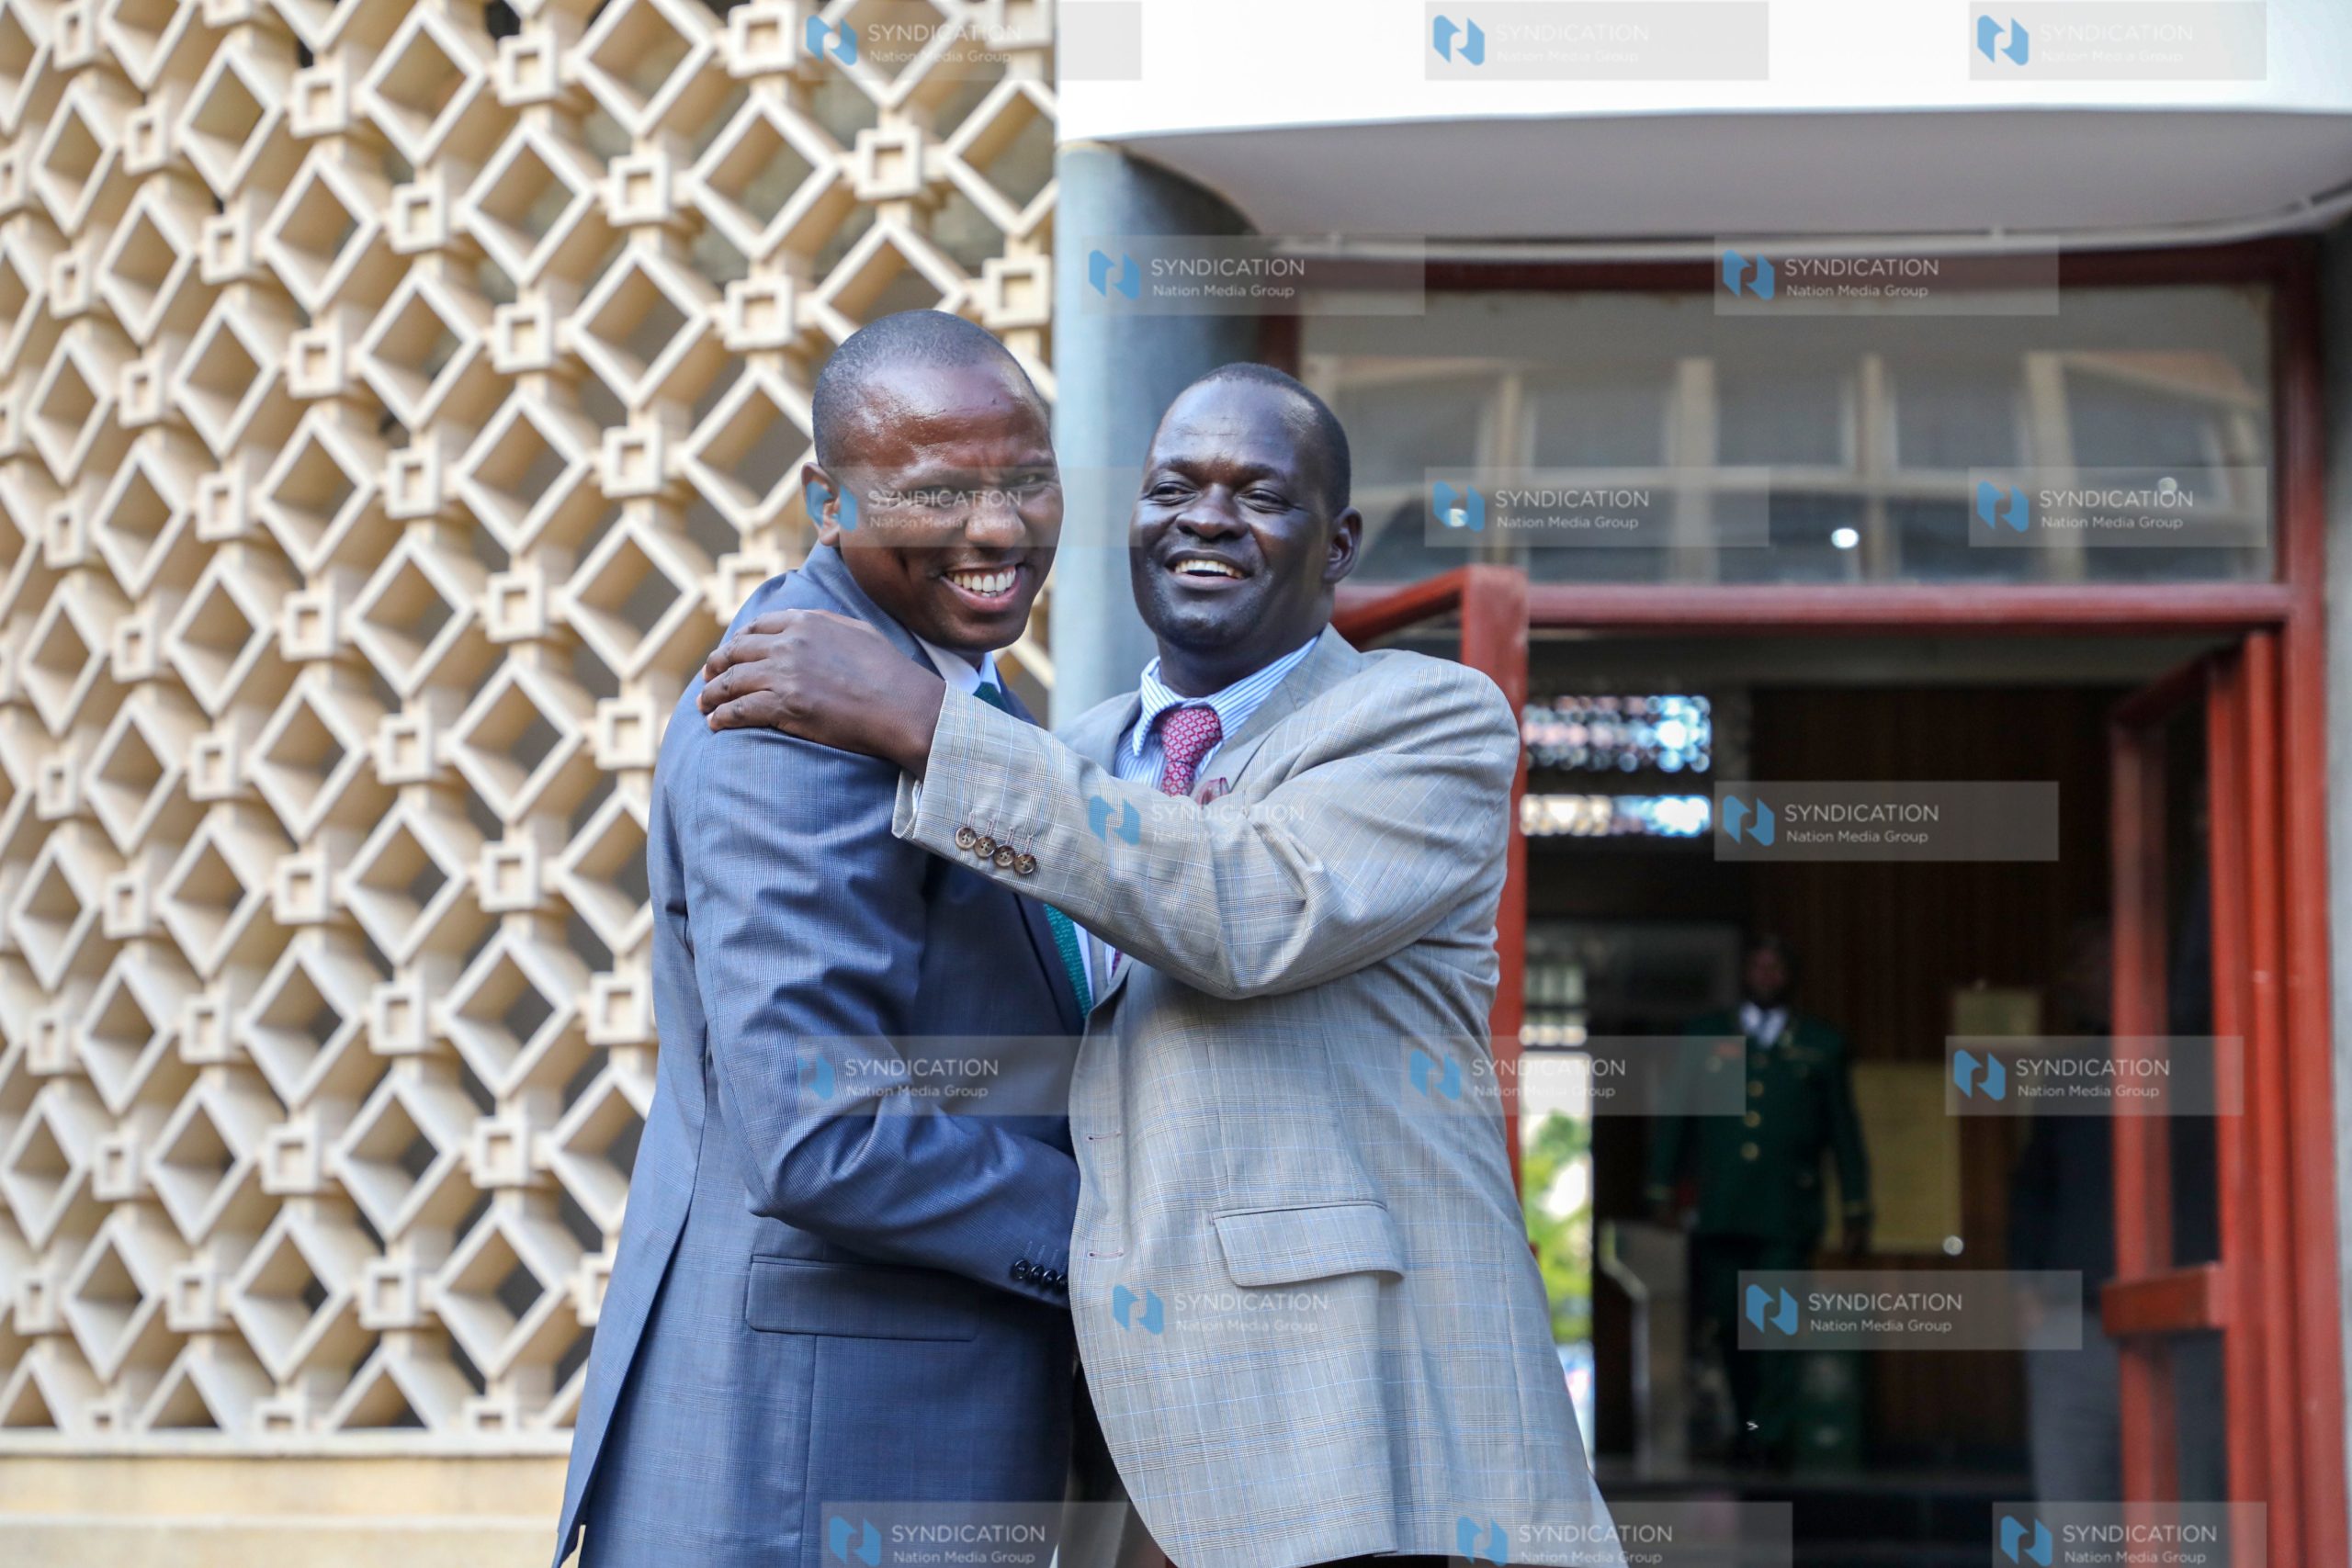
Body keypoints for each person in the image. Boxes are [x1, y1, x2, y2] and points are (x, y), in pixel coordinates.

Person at [695, 364, 1615, 1568]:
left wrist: (927, 721)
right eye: (1173, 485)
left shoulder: (1429, 721)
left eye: (1260, 493)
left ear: (1335, 544)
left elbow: (1249, 905)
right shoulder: (1051, 756)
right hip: (1115, 1438)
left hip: (1362, 1436)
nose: (1207, 516)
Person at [552, 312, 1091, 1568]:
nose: (999, 528)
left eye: (1026, 477)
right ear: (826, 500)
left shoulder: (929, 680)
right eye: (937, 492)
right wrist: (1129, 1232)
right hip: (816, 1461)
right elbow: (822, 1127)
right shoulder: (797, 715)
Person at [1645, 934, 1870, 1466]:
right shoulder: (1708, 1035)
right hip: (1722, 1210)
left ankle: (1771, 1436)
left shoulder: (1820, 1043)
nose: (1766, 976)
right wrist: (1662, 1188)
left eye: (1777, 967)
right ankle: (1747, 1424)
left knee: (1777, 1331)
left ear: (1791, 976)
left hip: (1785, 1214)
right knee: (1729, 1326)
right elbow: (1677, 1117)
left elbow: (1845, 1133)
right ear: (1744, 974)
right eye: (1758, 966)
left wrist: (1857, 1207)